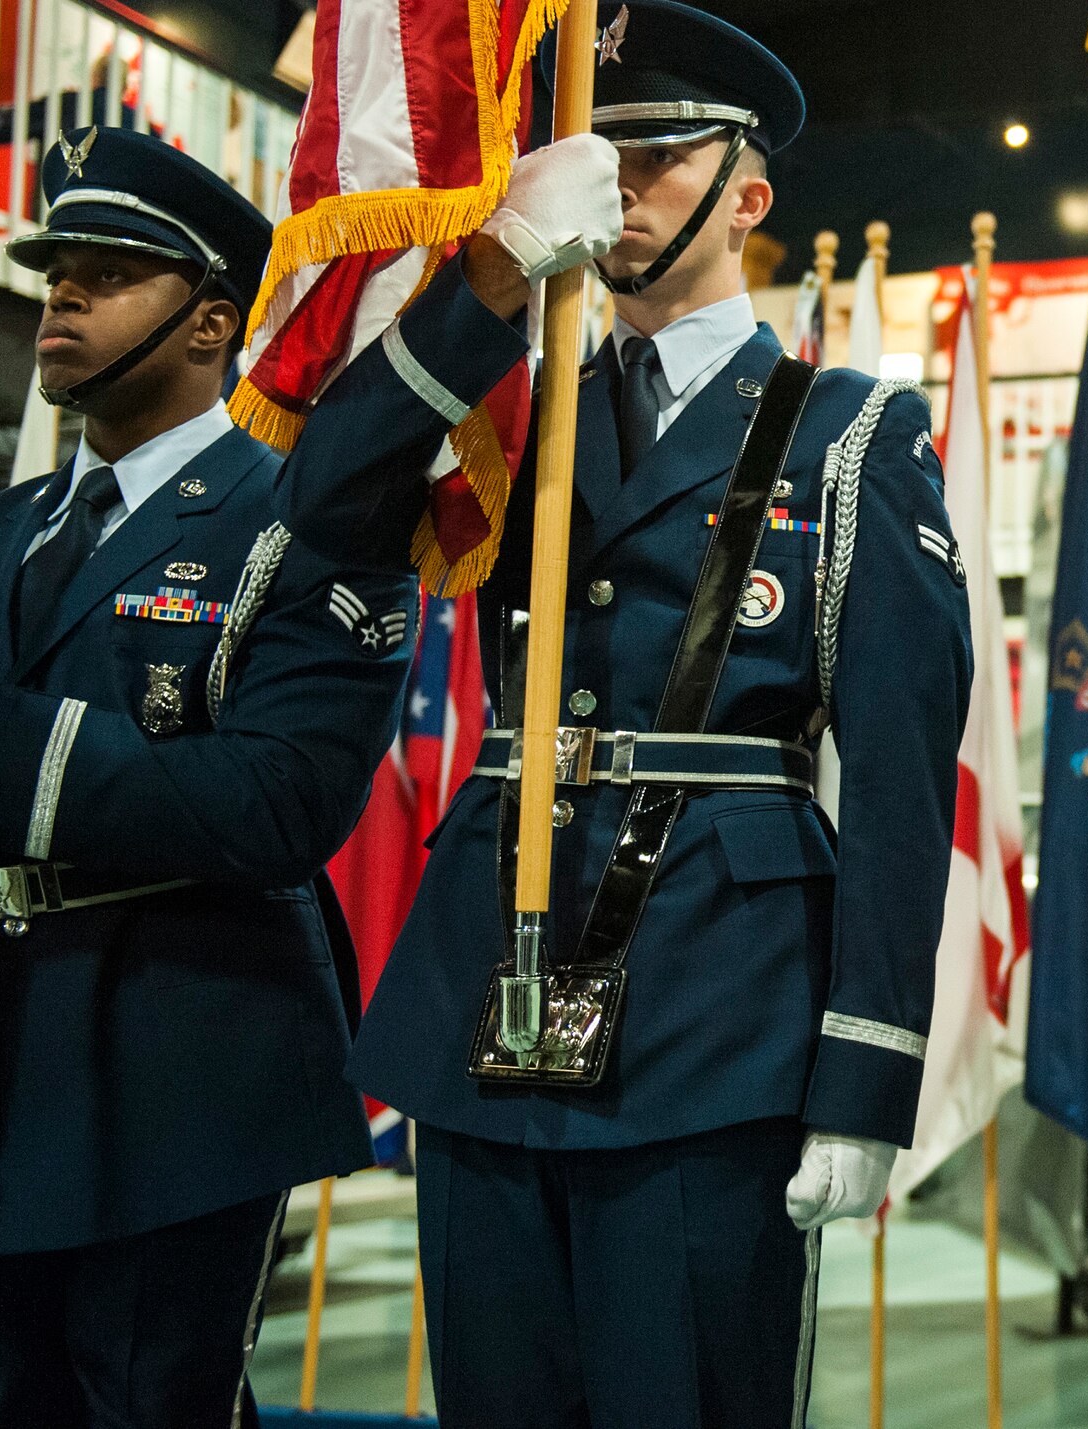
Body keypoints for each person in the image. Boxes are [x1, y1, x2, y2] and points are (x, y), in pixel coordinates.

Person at [274, 3, 973, 1423]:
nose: (625, 183)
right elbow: (322, 504)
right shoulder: (512, 410)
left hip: (718, 1008)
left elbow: (902, 779)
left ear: (748, 191)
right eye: (600, 152)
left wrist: (866, 1076)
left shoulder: (852, 435)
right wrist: (486, 280)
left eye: (656, 153)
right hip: (490, 982)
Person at [0, 128, 436, 1428]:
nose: (61, 293)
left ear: (209, 323)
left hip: (178, 1060)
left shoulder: (304, 518)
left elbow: (279, 806)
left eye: (107, 271)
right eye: (57, 268)